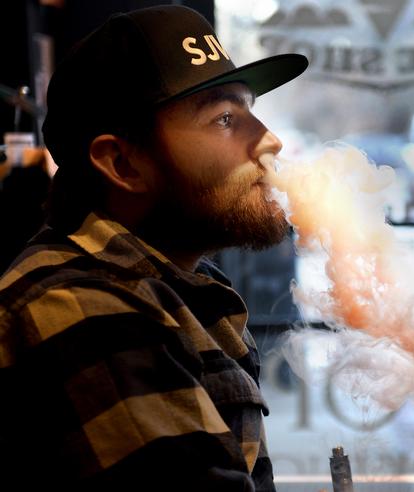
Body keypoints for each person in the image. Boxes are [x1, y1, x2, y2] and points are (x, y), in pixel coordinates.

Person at [0, 5, 307, 490]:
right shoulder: (81, 307)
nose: (270, 140)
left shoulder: (184, 283)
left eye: (251, 110)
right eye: (225, 118)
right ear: (122, 163)